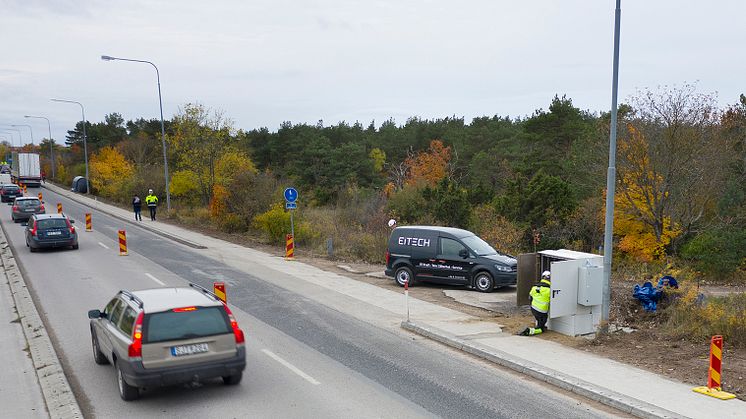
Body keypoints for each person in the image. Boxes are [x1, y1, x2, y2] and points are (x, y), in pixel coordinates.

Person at [519, 271, 551, 336]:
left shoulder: (534, 287)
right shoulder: (549, 290)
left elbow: (530, 297)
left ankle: (539, 325)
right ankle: (529, 331)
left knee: (539, 319)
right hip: (542, 311)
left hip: (533, 309)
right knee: (541, 328)